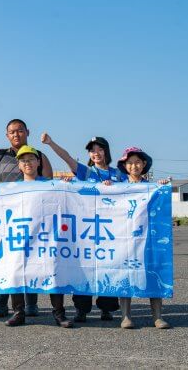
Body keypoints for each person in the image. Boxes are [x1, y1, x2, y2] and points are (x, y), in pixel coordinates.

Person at [0, 119, 53, 317]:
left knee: (32, 260)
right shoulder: (0, 155)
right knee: (5, 260)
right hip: (5, 217)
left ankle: (32, 302)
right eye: (12, 132)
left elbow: (49, 185)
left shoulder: (39, 156)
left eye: (20, 131)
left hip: (32, 216)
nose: (16, 135)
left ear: (27, 132)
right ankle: (1, 302)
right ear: (7, 135)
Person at [41, 134, 124, 322]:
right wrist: (51, 143)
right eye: (92, 150)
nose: (96, 153)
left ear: (106, 151)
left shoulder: (119, 175)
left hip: (109, 231)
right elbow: (67, 157)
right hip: (85, 230)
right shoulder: (85, 173)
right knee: (84, 269)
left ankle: (107, 308)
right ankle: (82, 309)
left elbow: (134, 189)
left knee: (108, 267)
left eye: (100, 149)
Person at [4, 145, 72, 328]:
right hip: (21, 238)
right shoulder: (11, 188)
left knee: (53, 271)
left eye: (31, 159)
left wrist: (67, 185)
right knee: (17, 273)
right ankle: (19, 312)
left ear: (38, 162)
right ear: (18, 165)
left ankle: (59, 313)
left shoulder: (50, 184)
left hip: (46, 237)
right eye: (23, 160)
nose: (28, 163)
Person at [116, 147, 171, 329]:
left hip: (149, 239)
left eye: (138, 162)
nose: (134, 166)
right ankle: (126, 316)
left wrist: (162, 186)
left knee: (153, 272)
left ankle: (157, 316)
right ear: (124, 166)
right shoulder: (118, 187)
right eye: (130, 162)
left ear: (144, 164)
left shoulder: (152, 187)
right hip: (124, 238)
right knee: (125, 274)